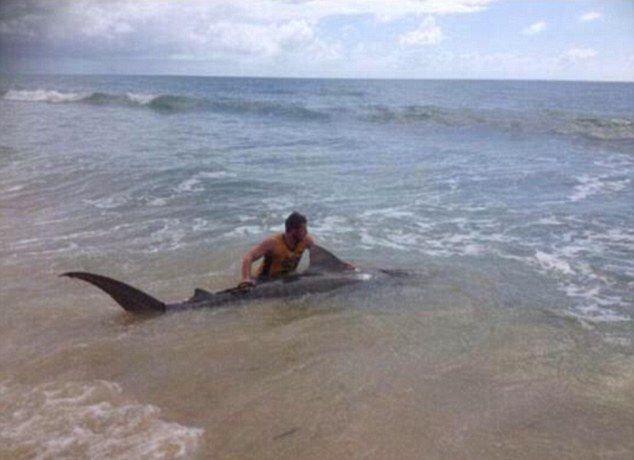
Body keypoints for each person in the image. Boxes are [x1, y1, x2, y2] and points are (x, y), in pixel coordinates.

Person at [239, 211, 351, 289]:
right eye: (304, 229)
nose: (307, 232)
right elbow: (248, 257)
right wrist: (245, 279)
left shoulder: (306, 240)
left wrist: (342, 265)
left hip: (288, 278)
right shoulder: (272, 243)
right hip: (264, 280)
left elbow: (320, 257)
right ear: (294, 231)